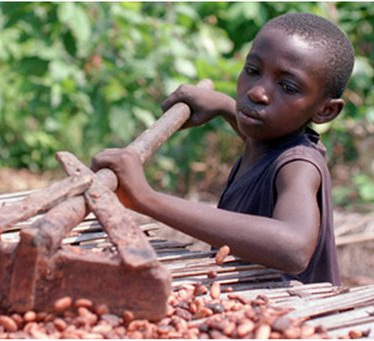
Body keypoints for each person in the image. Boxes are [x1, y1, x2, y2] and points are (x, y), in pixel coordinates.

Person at [92, 13, 354, 285]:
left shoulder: (298, 166)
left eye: (287, 87)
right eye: (252, 71)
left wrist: (145, 198)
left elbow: (294, 248)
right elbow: (262, 143)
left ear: (325, 110)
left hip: (290, 315)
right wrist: (222, 106)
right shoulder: (269, 140)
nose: (257, 93)